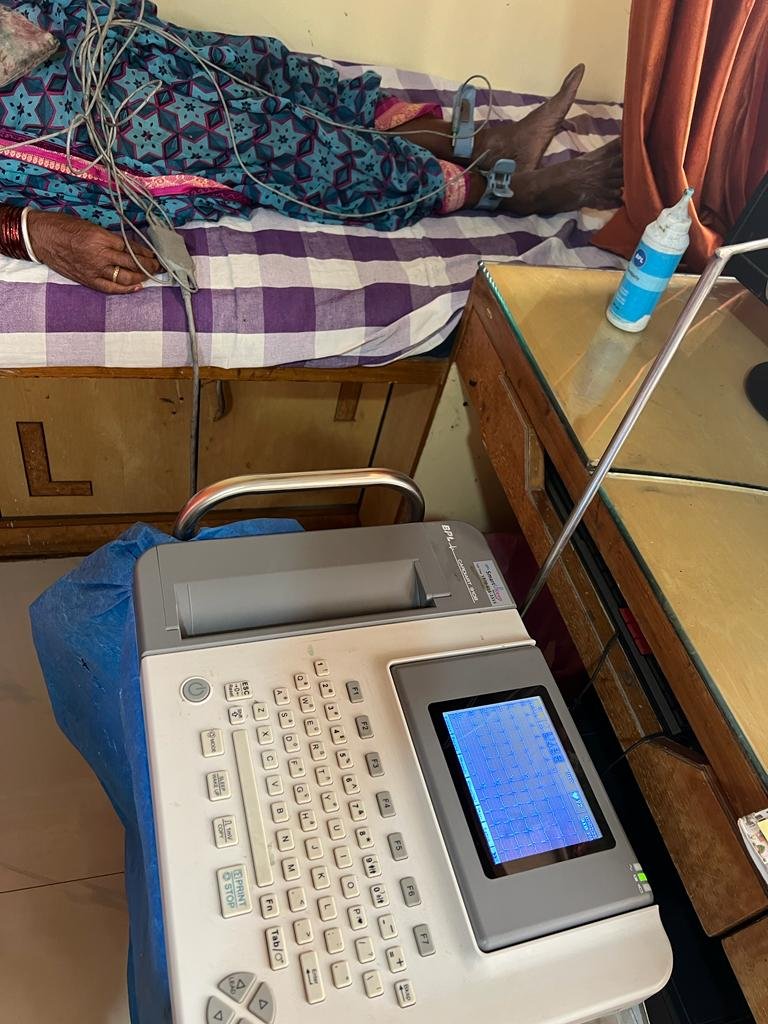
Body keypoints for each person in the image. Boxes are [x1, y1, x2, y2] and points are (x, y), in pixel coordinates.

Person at [0, 0, 622, 293]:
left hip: (61, 40)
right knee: (248, 135)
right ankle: (503, 190)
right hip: (40, 137)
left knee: (258, 64)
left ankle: (481, 141)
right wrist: (30, 233)